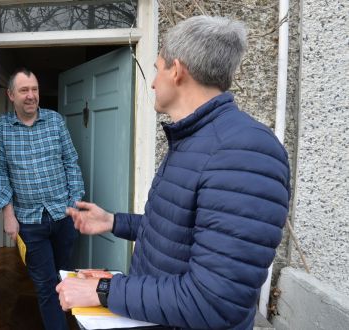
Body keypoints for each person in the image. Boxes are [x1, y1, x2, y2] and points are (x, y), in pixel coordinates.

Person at [56, 16, 291, 330]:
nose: (153, 82)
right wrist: (114, 222)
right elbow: (178, 232)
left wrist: (104, 290)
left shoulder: (245, 150)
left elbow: (213, 302)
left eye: (157, 68)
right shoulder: (196, 139)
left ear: (177, 71)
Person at [0, 68, 84, 329]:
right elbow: (1, 172)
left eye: (34, 89)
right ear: (11, 95)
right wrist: (8, 215)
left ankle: (71, 320)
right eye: (24, 90)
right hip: (29, 221)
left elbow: (71, 162)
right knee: (45, 285)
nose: (31, 95)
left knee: (64, 278)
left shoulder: (55, 121)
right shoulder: (2, 128)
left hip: (62, 215)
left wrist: (74, 204)